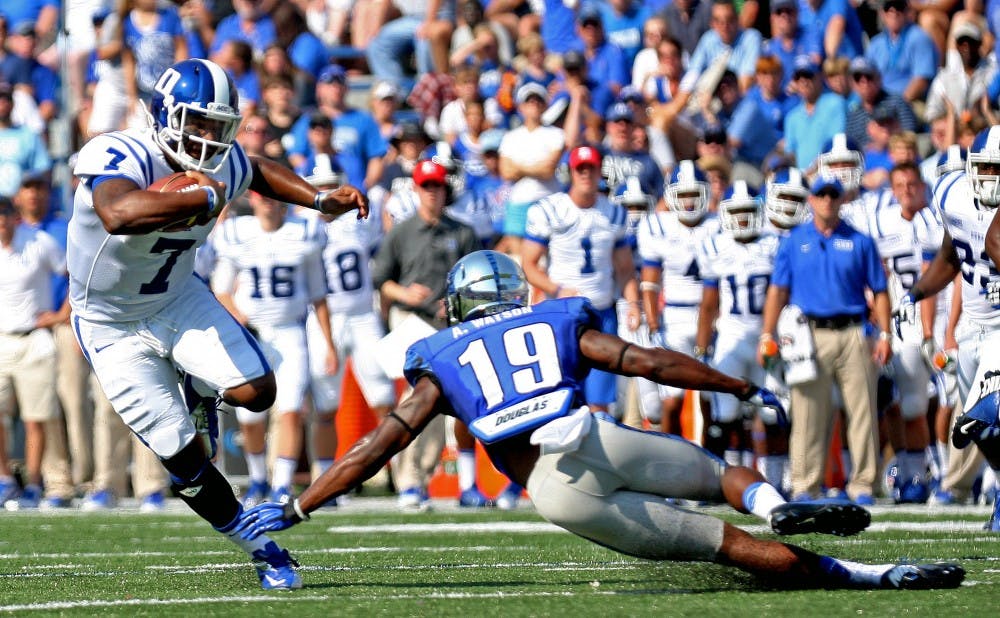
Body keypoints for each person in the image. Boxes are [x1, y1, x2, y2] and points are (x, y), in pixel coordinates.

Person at [235, 250, 965, 592]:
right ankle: (781, 506)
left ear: (457, 310)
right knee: (720, 477)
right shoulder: (551, 320)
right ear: (517, 294)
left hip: (558, 489)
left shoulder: (444, 355)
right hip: (593, 432)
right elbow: (646, 362)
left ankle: (874, 577)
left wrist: (300, 504)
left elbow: (378, 444)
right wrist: (736, 383)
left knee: (722, 548)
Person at [67, 58, 367, 589]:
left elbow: (255, 170)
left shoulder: (221, 164)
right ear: (165, 116)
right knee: (183, 456)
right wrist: (195, 196)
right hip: (109, 324)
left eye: (217, 127)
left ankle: (202, 389)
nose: (208, 139)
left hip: (175, 296)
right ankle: (259, 545)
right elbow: (118, 213)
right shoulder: (119, 152)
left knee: (258, 390)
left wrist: (318, 198)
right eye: (198, 124)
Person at [760, 175, 892, 504]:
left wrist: (886, 333)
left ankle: (863, 484)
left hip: (853, 331)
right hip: (809, 334)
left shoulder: (860, 240)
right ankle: (805, 484)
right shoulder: (794, 240)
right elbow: (778, 289)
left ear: (842, 199)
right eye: (822, 195)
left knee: (862, 412)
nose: (828, 201)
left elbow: (879, 290)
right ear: (811, 200)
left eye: (834, 195)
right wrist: (767, 332)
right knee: (807, 412)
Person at [212, 190, 336, 507]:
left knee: (292, 409)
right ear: (252, 200)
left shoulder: (304, 234)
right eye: (261, 196)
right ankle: (257, 479)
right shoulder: (237, 233)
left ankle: (282, 484)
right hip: (251, 334)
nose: (268, 201)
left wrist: (329, 343)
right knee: (250, 416)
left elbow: (318, 295)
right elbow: (220, 289)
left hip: (291, 332)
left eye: (272, 196)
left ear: (282, 200)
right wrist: (238, 317)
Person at [903, 125, 1000, 530]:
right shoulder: (952, 195)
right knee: (979, 431)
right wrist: (918, 291)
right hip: (971, 326)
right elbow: (951, 252)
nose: (993, 177)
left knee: (987, 407)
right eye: (988, 168)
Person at [370, 158, 479, 509]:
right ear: (417, 190)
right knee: (416, 400)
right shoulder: (401, 233)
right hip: (411, 321)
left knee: (447, 404)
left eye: (438, 186)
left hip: (450, 325)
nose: (433, 193)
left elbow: (476, 281)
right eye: (427, 186)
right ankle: (409, 481)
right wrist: (404, 293)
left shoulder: (462, 233)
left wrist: (459, 302)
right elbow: (381, 281)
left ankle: (430, 477)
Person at [522, 145, 640, 415]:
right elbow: (528, 265)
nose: (586, 173)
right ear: (571, 172)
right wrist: (557, 288)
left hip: (601, 312)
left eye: (592, 168)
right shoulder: (550, 210)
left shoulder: (614, 213)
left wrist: (633, 303)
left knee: (599, 403)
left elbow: (624, 267)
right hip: (561, 313)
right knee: (561, 398)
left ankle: (599, 456)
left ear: (600, 171)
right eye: (580, 168)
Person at [863, 161, 943, 504]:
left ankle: (922, 474)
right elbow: (874, 273)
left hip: (924, 318)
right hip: (891, 320)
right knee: (890, 403)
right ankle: (907, 473)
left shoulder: (935, 222)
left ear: (922, 187)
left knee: (914, 404)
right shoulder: (880, 222)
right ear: (892, 190)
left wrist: (929, 329)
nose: (907, 190)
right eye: (900, 185)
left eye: (912, 184)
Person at [639, 160, 720, 435]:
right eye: (682, 194)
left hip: (711, 318)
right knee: (671, 400)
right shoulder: (658, 225)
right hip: (674, 317)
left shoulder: (719, 224)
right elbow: (649, 283)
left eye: (693, 194)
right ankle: (670, 460)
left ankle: (715, 462)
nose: (688, 201)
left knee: (712, 398)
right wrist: (652, 324)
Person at [0, 194, 64, 508]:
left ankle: (35, 483)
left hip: (34, 337)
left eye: (4, 219)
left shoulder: (40, 242)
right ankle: (5, 481)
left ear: (15, 218)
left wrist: (61, 314)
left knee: (34, 417)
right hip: (1, 339)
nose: (1, 227)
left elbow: (72, 275)